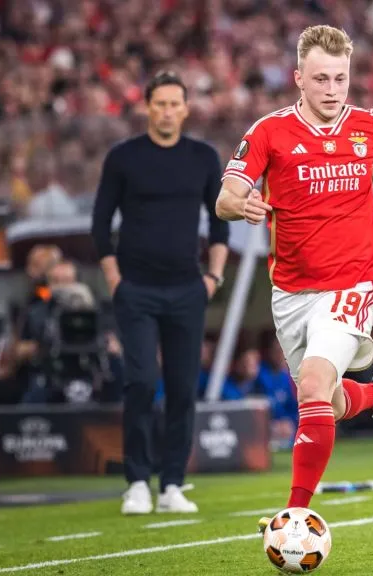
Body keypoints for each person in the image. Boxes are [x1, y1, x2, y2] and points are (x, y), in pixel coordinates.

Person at [213, 26, 373, 530]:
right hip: (292, 292)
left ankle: (296, 515)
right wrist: (245, 205)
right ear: (299, 78)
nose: (332, 89)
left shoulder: (371, 126)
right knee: (325, 397)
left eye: (341, 79)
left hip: (356, 280)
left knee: (312, 383)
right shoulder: (268, 132)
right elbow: (224, 198)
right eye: (321, 79)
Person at [91, 70, 230, 515]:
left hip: (188, 289)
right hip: (136, 291)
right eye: (160, 103)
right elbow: (99, 225)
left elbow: (219, 222)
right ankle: (136, 481)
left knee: (183, 388)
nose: (168, 110)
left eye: (175, 103)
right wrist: (115, 281)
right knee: (140, 383)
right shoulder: (123, 157)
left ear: (186, 108)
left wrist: (213, 279)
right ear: (147, 108)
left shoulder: (204, 157)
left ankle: (172, 483)